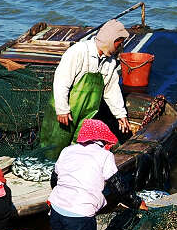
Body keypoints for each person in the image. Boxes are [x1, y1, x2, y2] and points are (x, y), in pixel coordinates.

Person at [45, 19, 132, 159]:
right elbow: (62, 81)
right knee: (53, 149)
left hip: (87, 113)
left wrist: (120, 115)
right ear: (110, 39)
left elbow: (111, 90)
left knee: (77, 149)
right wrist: (62, 109)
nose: (121, 46)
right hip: (65, 111)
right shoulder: (78, 52)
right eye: (119, 42)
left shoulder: (110, 62)